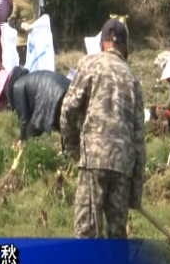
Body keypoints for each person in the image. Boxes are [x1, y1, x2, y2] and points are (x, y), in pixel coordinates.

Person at [60, 18, 146, 240]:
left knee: (87, 233)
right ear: (125, 48)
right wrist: (135, 193)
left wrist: (72, 147)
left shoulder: (89, 65)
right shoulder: (133, 80)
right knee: (117, 236)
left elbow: (68, 109)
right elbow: (139, 140)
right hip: (123, 165)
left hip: (94, 158)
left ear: (102, 44)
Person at [0, 62, 71, 146]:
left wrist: (23, 142)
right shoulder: (27, 80)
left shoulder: (17, 87)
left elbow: (24, 121)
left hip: (51, 95)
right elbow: (37, 123)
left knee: (30, 132)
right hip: (67, 89)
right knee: (68, 130)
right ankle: (70, 155)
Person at [8, 0, 43, 66]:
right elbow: (11, 20)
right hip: (23, 43)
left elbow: (39, 12)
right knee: (25, 70)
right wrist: (22, 25)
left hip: (36, 40)